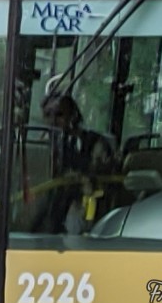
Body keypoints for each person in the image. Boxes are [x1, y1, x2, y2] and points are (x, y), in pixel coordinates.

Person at [37, 95, 115, 234]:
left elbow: (102, 178)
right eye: (48, 115)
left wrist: (81, 177)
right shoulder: (39, 147)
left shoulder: (94, 143)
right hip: (47, 211)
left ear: (73, 116)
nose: (53, 121)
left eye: (59, 115)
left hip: (82, 210)